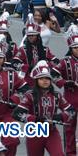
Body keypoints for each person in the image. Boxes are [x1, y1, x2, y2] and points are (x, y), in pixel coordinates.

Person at [13, 61, 75, 156]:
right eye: (41, 78)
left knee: (58, 154)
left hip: (52, 132)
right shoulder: (30, 96)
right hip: (34, 133)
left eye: (47, 78)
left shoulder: (56, 95)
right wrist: (36, 119)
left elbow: (71, 111)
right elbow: (17, 114)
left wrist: (59, 117)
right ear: (36, 80)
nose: (45, 81)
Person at [55, 26, 78, 156]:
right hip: (71, 97)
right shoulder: (65, 62)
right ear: (71, 48)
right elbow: (53, 74)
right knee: (69, 126)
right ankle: (70, 153)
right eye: (75, 48)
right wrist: (65, 82)